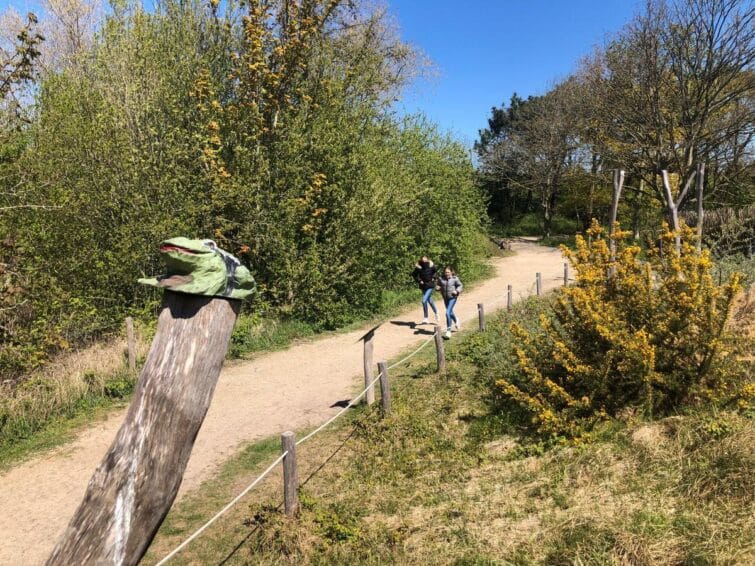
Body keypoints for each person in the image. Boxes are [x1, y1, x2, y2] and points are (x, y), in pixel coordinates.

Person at [411, 255, 438, 324]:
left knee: (424, 300)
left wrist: (434, 278)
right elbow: (414, 275)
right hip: (423, 286)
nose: (424, 261)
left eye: (425, 259)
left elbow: (435, 272)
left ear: (428, 259)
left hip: (430, 285)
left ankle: (426, 317)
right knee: (430, 301)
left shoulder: (431, 266)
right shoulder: (419, 267)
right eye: (423, 259)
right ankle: (435, 313)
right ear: (421, 260)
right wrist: (419, 280)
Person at [438, 266, 463, 339]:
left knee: (447, 312)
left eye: (448, 272)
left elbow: (460, 285)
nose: (446, 274)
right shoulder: (441, 278)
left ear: (451, 272)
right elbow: (438, 285)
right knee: (450, 312)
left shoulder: (455, 278)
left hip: (453, 297)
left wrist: (457, 291)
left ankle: (448, 331)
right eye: (445, 272)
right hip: (445, 298)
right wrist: (437, 288)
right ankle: (456, 320)